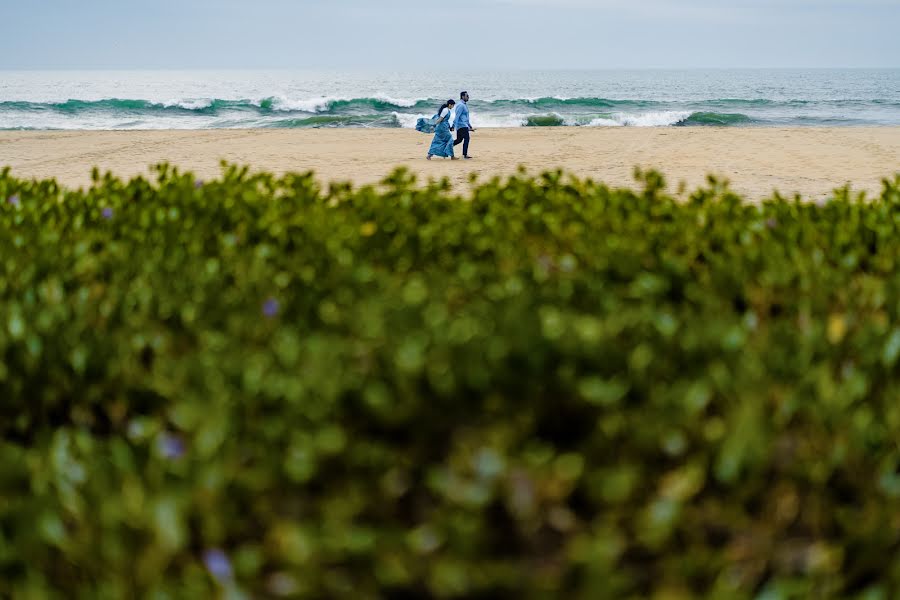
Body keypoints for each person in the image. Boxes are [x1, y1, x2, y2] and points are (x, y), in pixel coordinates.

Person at [451, 91, 475, 159]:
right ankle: (465, 155)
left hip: (463, 125)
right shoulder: (461, 105)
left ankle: (448, 146)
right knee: (467, 138)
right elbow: (457, 116)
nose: (468, 97)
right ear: (462, 97)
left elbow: (465, 118)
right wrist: (453, 126)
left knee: (459, 140)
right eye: (467, 96)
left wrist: (470, 126)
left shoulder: (463, 105)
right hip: (461, 125)